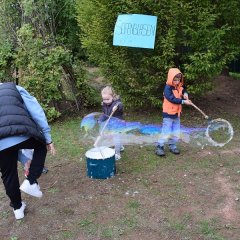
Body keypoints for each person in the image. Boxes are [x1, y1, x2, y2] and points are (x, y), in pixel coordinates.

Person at [0, 82, 56, 220]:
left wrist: (24, 160)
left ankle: (17, 209)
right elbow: (37, 112)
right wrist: (48, 138)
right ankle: (31, 181)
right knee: (41, 145)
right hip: (21, 131)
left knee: (8, 174)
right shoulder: (14, 88)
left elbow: (8, 143)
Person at [156, 68, 192, 157]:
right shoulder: (167, 88)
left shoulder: (179, 86)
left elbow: (183, 89)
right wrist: (183, 101)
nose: (177, 81)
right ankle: (159, 147)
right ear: (171, 78)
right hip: (168, 114)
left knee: (175, 130)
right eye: (175, 80)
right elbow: (172, 99)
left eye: (178, 79)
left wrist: (185, 93)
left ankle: (172, 145)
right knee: (166, 130)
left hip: (177, 113)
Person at [98, 85, 124, 160]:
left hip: (117, 124)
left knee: (116, 137)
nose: (106, 101)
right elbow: (104, 114)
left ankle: (117, 153)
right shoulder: (104, 105)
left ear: (112, 96)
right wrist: (100, 119)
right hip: (110, 124)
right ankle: (120, 146)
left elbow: (120, 105)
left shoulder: (117, 103)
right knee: (111, 136)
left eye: (107, 99)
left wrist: (117, 106)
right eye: (104, 99)